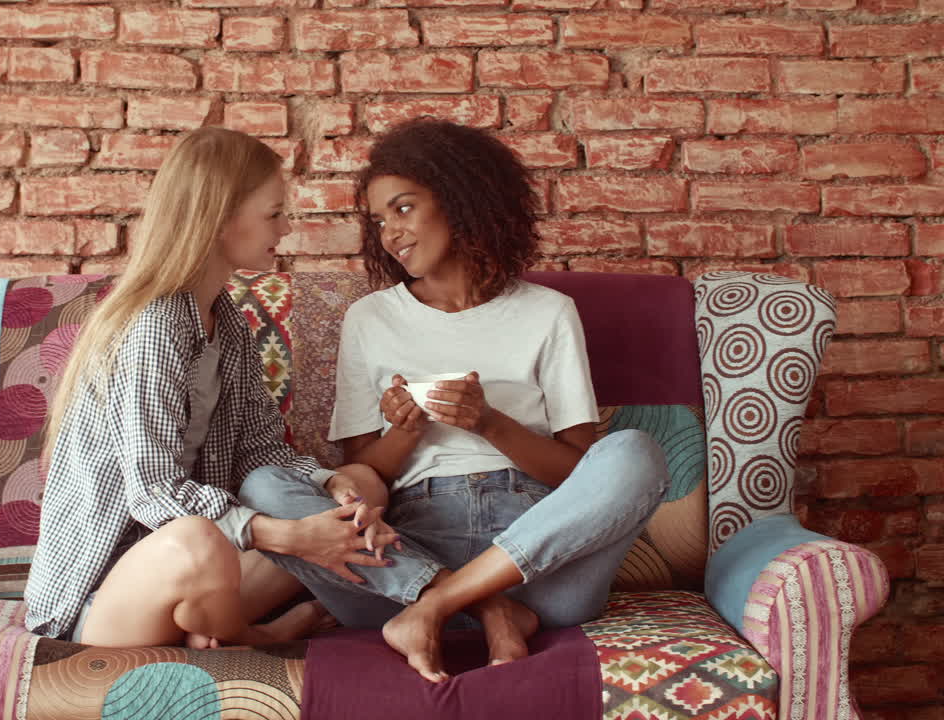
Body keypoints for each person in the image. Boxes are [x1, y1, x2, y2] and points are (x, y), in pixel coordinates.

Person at [239, 119, 671, 681]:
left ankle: (441, 608)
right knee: (264, 485)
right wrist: (406, 434)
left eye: (403, 208)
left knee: (636, 451)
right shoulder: (370, 319)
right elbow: (360, 477)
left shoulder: (549, 312)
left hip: (539, 565)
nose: (390, 233)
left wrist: (490, 423)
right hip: (404, 557)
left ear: (461, 198)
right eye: (378, 220)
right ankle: (488, 608)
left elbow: (579, 471)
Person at [23, 127, 395, 649]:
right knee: (197, 538)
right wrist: (290, 534)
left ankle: (211, 626)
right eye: (274, 213)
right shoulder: (154, 326)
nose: (286, 227)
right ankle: (251, 634)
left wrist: (334, 486)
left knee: (365, 484)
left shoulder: (230, 323)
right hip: (103, 601)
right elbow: (152, 493)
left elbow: (260, 453)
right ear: (221, 218)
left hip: (206, 580)